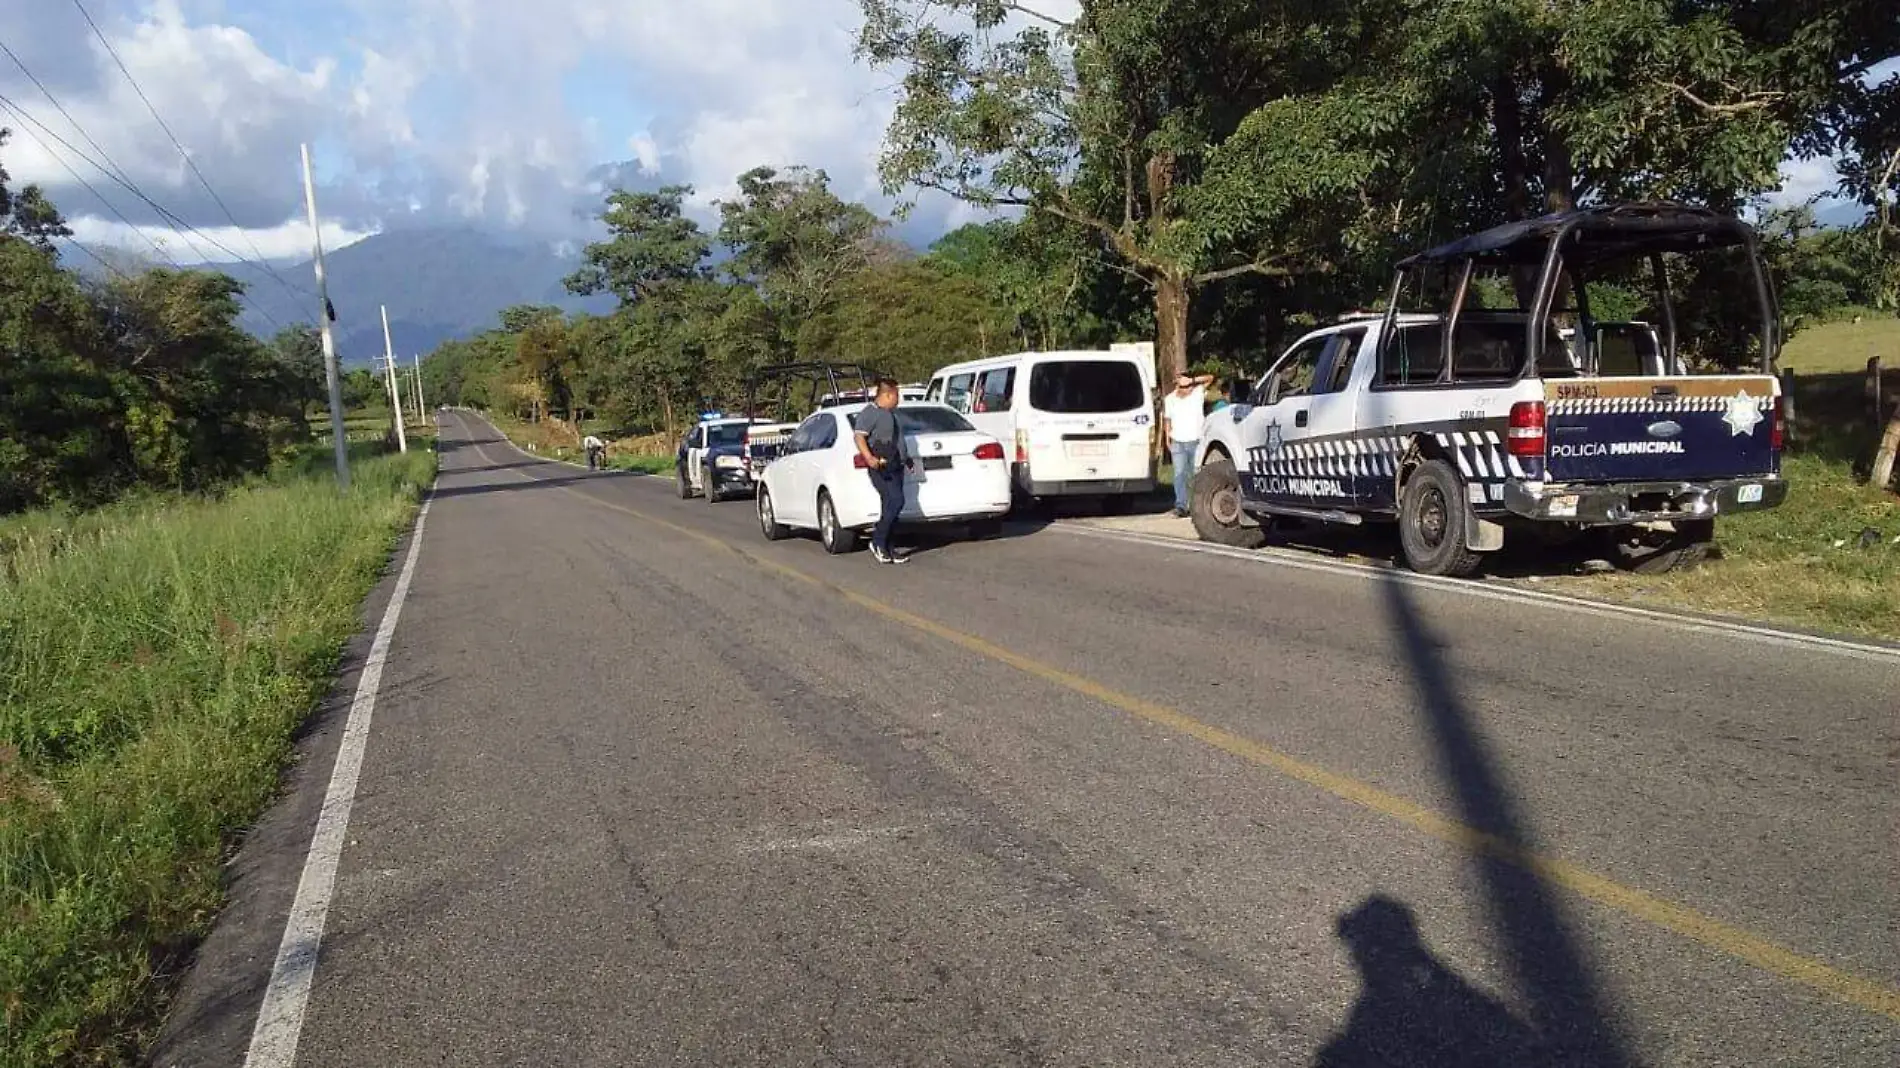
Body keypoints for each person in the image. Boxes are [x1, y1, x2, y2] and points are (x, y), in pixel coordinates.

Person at [853, 378, 910, 564]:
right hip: (880, 466)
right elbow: (859, 437)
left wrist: (906, 459)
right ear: (887, 394)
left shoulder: (893, 414)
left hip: (896, 465)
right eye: (896, 395)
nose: (898, 398)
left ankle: (888, 547)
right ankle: (878, 541)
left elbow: (898, 439)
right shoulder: (870, 413)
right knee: (896, 501)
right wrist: (869, 458)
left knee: (890, 506)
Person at [1162, 370, 1215, 517]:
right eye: (1182, 383)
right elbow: (1167, 419)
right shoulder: (1170, 399)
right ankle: (1181, 505)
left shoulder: (1198, 393)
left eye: (1189, 384)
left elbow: (1210, 378)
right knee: (1179, 474)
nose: (1187, 387)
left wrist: (1192, 380)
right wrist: (1167, 438)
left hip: (1196, 439)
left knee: (1195, 474)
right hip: (1177, 440)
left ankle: (1198, 505)